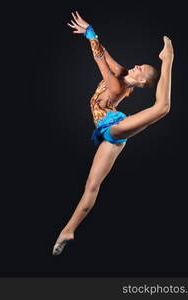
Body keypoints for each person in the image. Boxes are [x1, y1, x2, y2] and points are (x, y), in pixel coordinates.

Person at [52, 11, 174, 255]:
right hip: (111, 134)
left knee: (162, 107)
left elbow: (98, 60)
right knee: (92, 185)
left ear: (141, 83)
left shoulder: (118, 86)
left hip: (113, 126)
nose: (138, 65)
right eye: (141, 65)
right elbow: (104, 54)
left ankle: (168, 58)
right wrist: (91, 32)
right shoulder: (122, 73)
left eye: (142, 69)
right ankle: (68, 230)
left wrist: (90, 34)